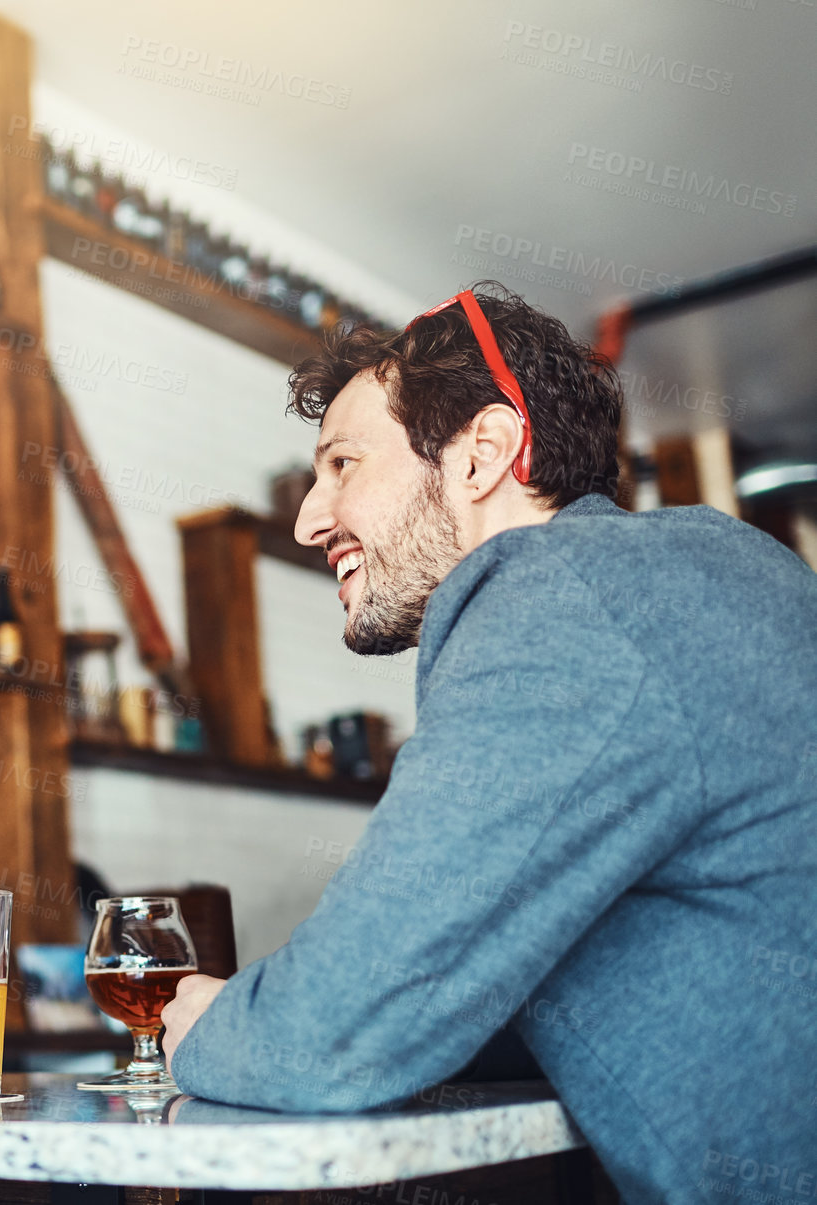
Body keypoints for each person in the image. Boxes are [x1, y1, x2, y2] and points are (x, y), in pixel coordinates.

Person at [160, 283, 817, 1204]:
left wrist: (211, 1025)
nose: (310, 519)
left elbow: (343, 1026)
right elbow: (477, 989)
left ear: (484, 454)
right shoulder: (719, 565)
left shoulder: (558, 597)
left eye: (342, 463)